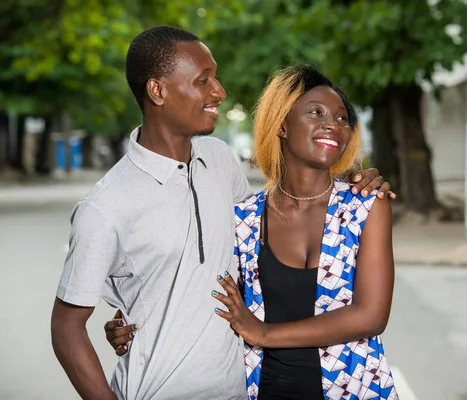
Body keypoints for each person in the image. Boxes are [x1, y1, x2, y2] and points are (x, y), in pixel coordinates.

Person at [50, 26, 391, 400]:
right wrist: (129, 322)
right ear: (158, 91)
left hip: (242, 390)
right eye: (203, 80)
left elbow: (245, 264)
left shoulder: (219, 162)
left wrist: (355, 182)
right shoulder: (104, 207)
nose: (220, 91)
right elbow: (68, 327)